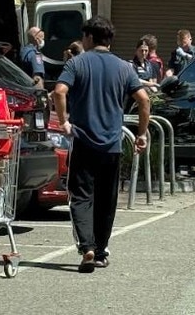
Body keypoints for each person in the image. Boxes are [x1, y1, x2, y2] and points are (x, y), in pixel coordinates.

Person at [52, 15, 150, 273]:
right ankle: (101, 250)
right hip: (112, 144)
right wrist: (141, 133)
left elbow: (59, 91)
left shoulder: (77, 63)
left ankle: (87, 248)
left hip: (84, 141)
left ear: (89, 38)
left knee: (82, 196)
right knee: (107, 199)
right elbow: (144, 100)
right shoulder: (124, 67)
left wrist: (64, 122)